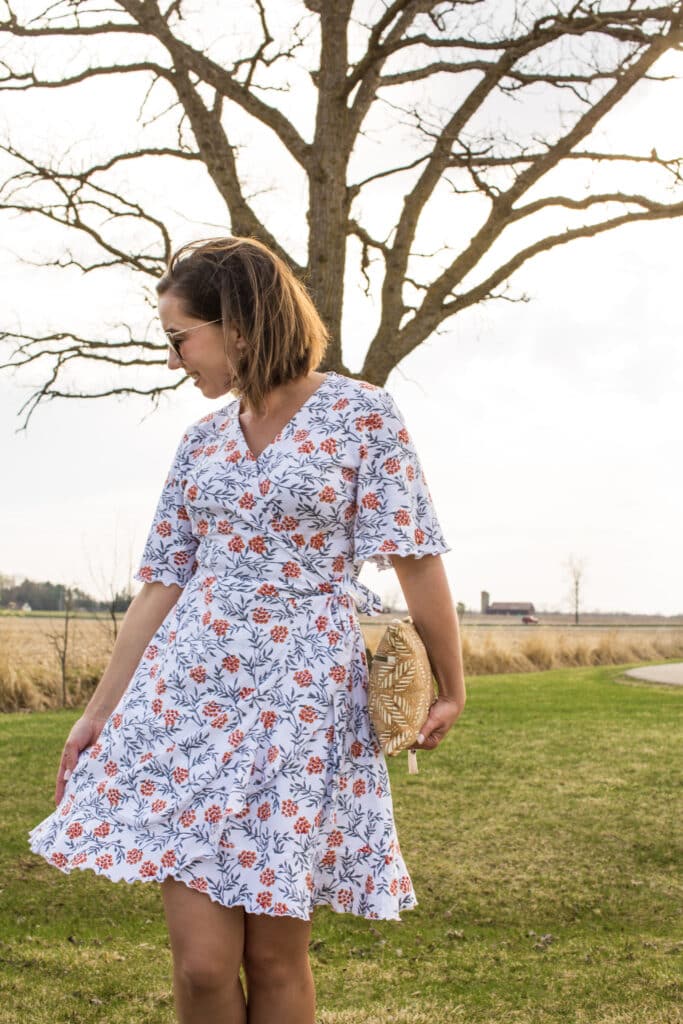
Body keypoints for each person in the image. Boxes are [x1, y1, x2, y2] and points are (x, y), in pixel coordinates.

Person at [28, 236, 466, 1024]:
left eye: (178, 338)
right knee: (201, 967)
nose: (173, 361)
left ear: (237, 325)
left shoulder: (361, 415)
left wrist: (450, 683)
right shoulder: (199, 444)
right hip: (188, 705)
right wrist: (97, 714)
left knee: (273, 957)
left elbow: (415, 558)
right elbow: (162, 583)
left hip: (302, 707)